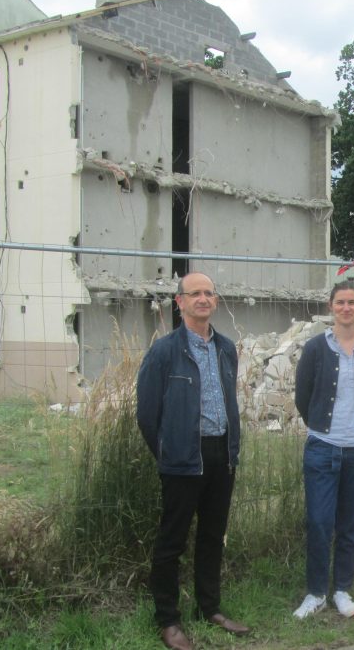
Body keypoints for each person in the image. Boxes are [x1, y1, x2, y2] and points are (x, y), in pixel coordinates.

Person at [136, 272, 250, 650]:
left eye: (209, 293)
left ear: (215, 301)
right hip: (183, 459)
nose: (203, 298)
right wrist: (169, 452)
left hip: (222, 454)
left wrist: (227, 450)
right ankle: (168, 620)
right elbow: (148, 415)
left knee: (213, 536)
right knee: (172, 542)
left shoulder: (226, 348)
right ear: (179, 302)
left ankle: (209, 608)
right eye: (194, 293)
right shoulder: (164, 352)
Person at [292, 282, 354, 620]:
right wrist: (323, 426)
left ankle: (342, 589)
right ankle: (316, 593)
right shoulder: (316, 348)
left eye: (352, 302)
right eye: (340, 302)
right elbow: (302, 396)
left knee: (349, 524)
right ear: (331, 306)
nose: (346, 308)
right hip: (323, 449)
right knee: (319, 522)